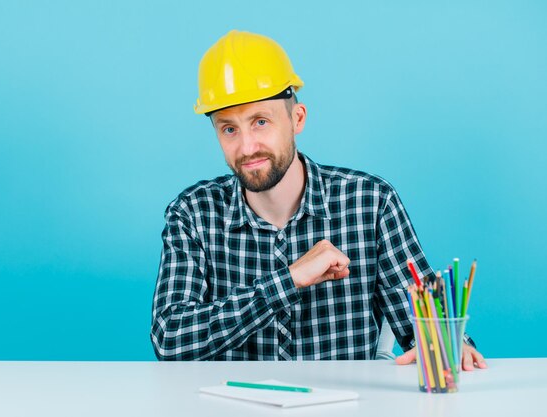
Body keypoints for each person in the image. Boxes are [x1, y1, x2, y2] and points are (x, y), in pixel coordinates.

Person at [150, 30, 487, 369]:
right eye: (229, 129)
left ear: (297, 119)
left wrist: (450, 346)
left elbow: (430, 328)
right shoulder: (192, 213)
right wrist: (289, 279)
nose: (247, 147)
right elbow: (170, 339)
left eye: (261, 122)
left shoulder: (370, 203)